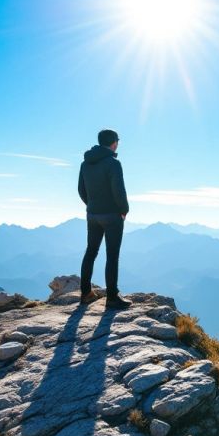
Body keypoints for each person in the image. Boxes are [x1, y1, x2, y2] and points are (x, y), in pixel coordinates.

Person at [77, 129, 131, 310]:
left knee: (91, 251)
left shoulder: (85, 163)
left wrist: (91, 205)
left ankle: (85, 293)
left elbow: (81, 190)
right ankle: (112, 298)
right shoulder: (113, 163)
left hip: (92, 215)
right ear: (114, 142)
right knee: (112, 255)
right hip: (111, 216)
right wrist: (124, 210)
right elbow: (119, 190)